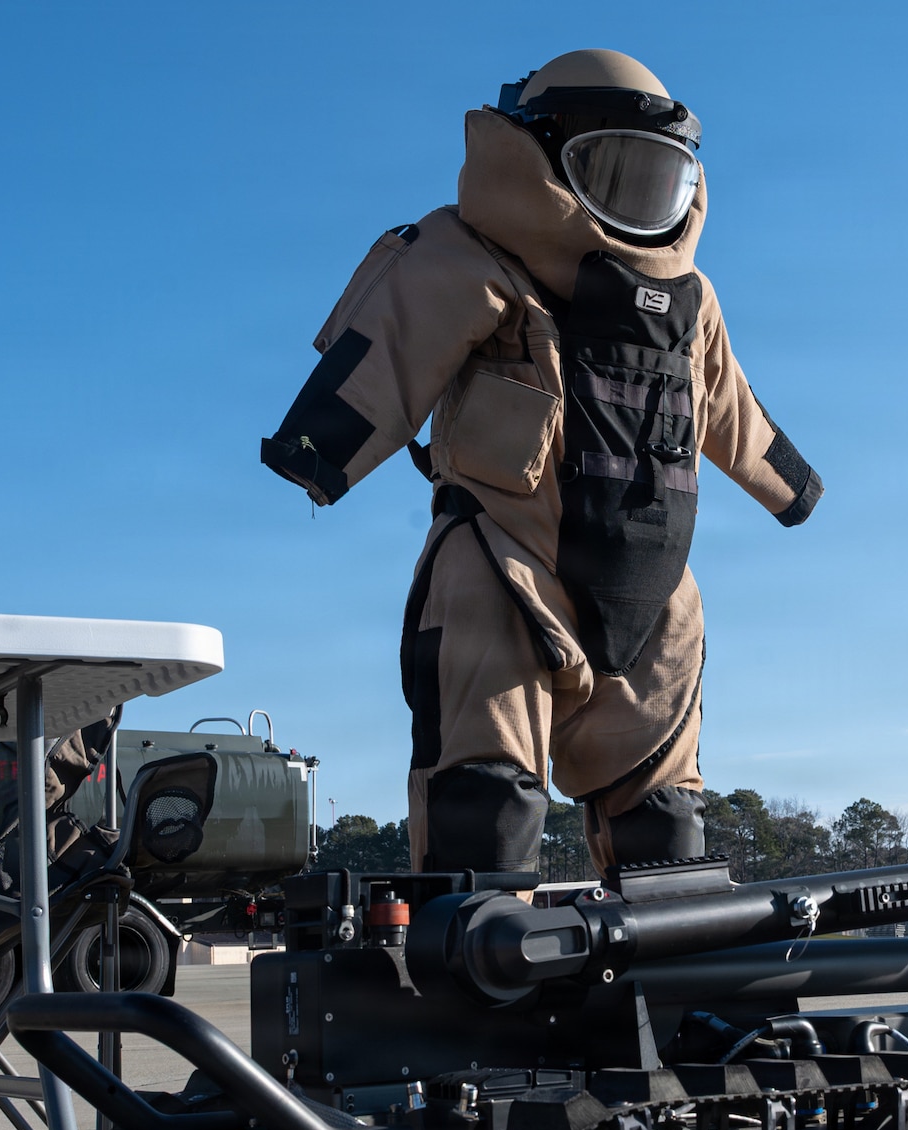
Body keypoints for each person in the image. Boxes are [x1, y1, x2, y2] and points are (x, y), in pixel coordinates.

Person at [261, 50, 822, 875]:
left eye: (651, 178)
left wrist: (793, 488)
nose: (632, 200)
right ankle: (479, 979)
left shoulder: (691, 303)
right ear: (542, 159)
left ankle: (659, 985)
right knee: (484, 809)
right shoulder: (467, 256)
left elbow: (732, 411)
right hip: (502, 565)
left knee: (665, 827)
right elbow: (390, 349)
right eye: (609, 172)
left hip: (657, 595)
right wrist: (319, 449)